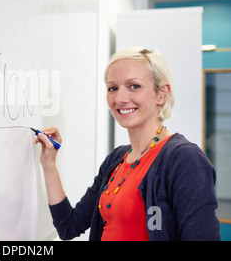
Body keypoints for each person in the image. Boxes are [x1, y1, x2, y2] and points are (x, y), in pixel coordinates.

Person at [35, 47, 220, 241]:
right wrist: (49, 164)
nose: (120, 99)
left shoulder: (184, 159)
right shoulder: (116, 160)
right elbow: (69, 227)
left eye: (134, 86)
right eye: (112, 88)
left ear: (162, 94)